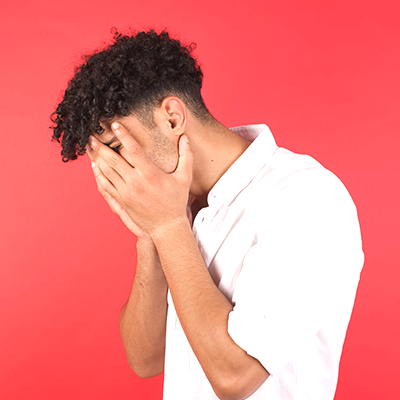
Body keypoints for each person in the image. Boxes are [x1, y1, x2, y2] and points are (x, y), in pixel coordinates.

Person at [51, 29, 364, 400]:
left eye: (117, 147)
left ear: (172, 118)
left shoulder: (306, 197)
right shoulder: (174, 205)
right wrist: (150, 235)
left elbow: (235, 376)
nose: (115, 170)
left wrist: (167, 227)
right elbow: (145, 358)